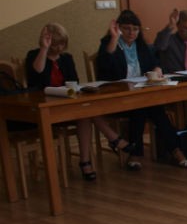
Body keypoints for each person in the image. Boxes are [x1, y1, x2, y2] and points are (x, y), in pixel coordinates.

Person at [25, 23, 130, 181]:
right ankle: (114, 140)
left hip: (66, 103)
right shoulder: (35, 55)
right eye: (55, 44)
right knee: (84, 112)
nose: (59, 48)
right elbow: (38, 72)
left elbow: (74, 81)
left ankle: (86, 161)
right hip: (45, 106)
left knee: (84, 113)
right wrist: (44, 49)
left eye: (62, 44)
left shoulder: (67, 58)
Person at [96, 10, 187, 169]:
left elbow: (154, 62)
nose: (131, 33)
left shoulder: (140, 45)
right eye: (126, 29)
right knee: (141, 108)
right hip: (118, 96)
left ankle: (170, 151)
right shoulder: (110, 43)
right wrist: (114, 38)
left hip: (140, 94)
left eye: (135, 29)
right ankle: (158, 152)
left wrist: (157, 69)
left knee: (155, 110)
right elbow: (104, 67)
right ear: (118, 28)